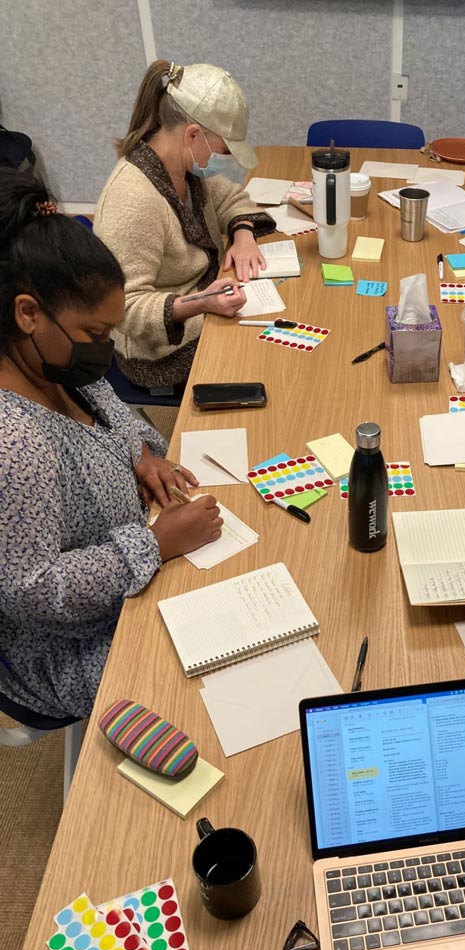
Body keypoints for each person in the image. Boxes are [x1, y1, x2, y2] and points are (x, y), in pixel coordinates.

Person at [0, 169, 223, 721]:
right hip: (65, 651)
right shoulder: (14, 442)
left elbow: (125, 423)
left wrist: (142, 455)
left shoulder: (59, 363)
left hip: (130, 568)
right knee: (217, 671)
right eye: (96, 334)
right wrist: (154, 546)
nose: (105, 349)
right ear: (28, 313)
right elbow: (32, 594)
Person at [94, 60, 276, 391]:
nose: (219, 160)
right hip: (161, 352)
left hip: (206, 304)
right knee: (270, 363)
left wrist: (243, 234)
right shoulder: (134, 200)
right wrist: (198, 304)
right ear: (193, 135)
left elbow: (232, 198)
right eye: (221, 150)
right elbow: (124, 307)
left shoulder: (181, 168)